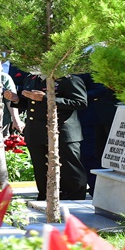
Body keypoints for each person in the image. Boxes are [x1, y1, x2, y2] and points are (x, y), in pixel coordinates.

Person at [5, 72, 89, 200]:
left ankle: (75, 198)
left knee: (69, 168)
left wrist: (46, 98)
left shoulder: (68, 79)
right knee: (41, 168)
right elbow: (31, 104)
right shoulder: (31, 78)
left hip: (61, 130)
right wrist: (16, 99)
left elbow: (80, 102)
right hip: (36, 130)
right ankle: (46, 196)